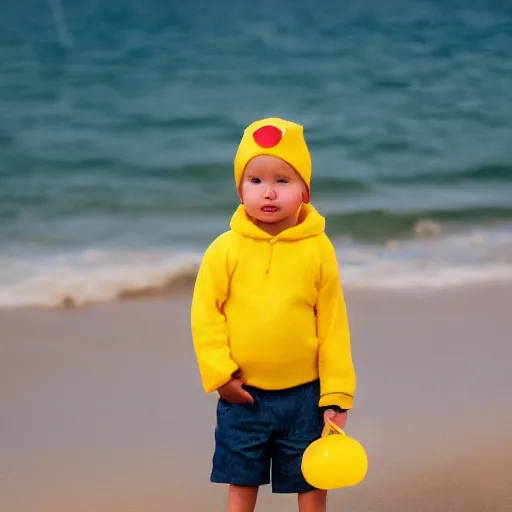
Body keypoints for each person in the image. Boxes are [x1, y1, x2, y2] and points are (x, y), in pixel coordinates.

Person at [190, 117, 356, 512]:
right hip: (243, 396)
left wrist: (336, 393)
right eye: (255, 181)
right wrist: (220, 376)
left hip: (306, 395)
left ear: (305, 190)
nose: (268, 192)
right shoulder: (224, 249)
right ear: (239, 189)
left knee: (312, 479)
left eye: (283, 181)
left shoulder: (318, 249)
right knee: (242, 482)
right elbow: (205, 316)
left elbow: (333, 323)